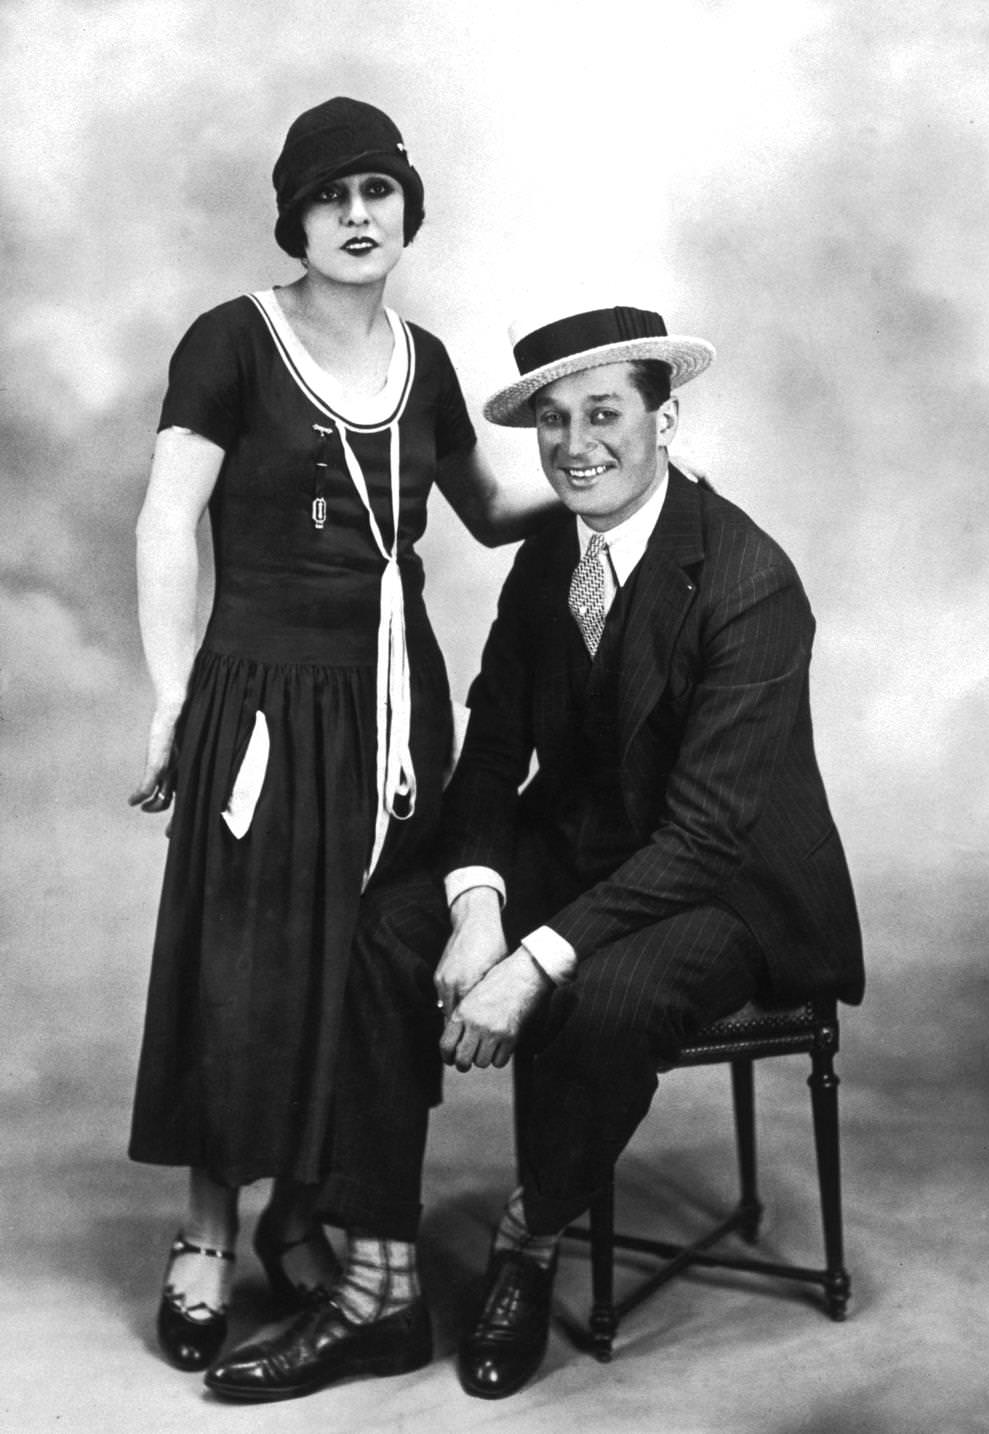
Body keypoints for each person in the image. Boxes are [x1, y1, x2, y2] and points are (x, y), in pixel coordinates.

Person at [202, 299, 863, 1405]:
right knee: (388, 929)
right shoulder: (552, 548)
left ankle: (531, 1236)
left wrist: (529, 959)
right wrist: (473, 907)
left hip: (730, 890)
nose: (574, 445)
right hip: (590, 854)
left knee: (596, 999)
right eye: (549, 422)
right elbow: (491, 753)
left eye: (603, 413)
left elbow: (705, 836)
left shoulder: (749, 580)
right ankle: (379, 1283)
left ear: (666, 417)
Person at [127, 96, 554, 1379]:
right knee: (242, 965)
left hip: (393, 712)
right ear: (295, 219)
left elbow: (479, 508)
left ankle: (311, 1220)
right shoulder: (232, 342)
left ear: (406, 212)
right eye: (333, 197)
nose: (359, 218)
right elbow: (164, 525)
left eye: (379, 194)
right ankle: (208, 1233)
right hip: (261, 700)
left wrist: (626, 478)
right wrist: (168, 697)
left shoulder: (424, 362)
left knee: (359, 966)